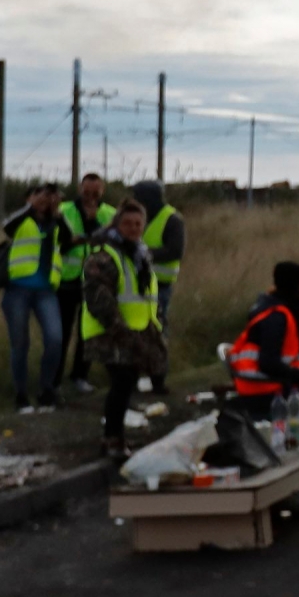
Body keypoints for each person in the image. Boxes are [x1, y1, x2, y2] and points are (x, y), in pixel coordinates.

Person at [78, 199, 166, 458]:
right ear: (117, 224)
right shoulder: (105, 254)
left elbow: (146, 296)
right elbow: (97, 297)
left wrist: (154, 326)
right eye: (127, 223)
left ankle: (115, 438)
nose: (133, 228)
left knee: (126, 385)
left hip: (135, 331)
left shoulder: (139, 254)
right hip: (109, 332)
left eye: (138, 223)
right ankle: (113, 440)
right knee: (122, 382)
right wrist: (118, 328)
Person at [226, 261, 299, 414]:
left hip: (273, 383)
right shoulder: (277, 316)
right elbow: (269, 363)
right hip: (264, 389)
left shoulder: (278, 307)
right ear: (296, 285)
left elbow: (284, 359)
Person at [0, 182, 64, 412]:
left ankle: (46, 389)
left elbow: (67, 239)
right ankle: (21, 395)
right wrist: (31, 207)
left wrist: (56, 212)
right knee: (20, 344)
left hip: (46, 290)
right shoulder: (22, 219)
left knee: (55, 339)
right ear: (30, 197)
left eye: (49, 196)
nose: (44, 199)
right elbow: (7, 227)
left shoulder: (56, 220)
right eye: (39, 195)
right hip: (18, 289)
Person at [54, 172, 114, 394]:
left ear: (102, 192)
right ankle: (55, 380)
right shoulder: (65, 210)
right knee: (61, 333)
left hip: (95, 281)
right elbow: (55, 242)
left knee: (86, 333)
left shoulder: (110, 213)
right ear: (80, 189)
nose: (90, 197)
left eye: (95, 193)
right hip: (67, 279)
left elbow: (111, 242)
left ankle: (80, 375)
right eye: (87, 192)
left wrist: (93, 221)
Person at [131, 179, 184, 393]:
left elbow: (174, 251)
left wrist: (143, 255)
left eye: (139, 197)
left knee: (157, 332)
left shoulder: (172, 219)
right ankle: (132, 379)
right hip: (134, 285)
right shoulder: (137, 218)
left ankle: (158, 380)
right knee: (134, 332)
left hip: (160, 286)